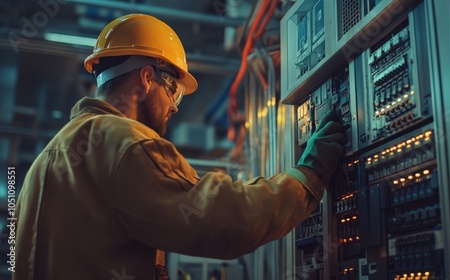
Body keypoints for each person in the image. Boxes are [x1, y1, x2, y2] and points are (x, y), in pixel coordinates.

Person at [13, 14, 345, 280]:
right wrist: (308, 177)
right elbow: (220, 219)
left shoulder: (48, 159)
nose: (174, 107)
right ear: (146, 78)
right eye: (174, 91)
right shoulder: (123, 143)